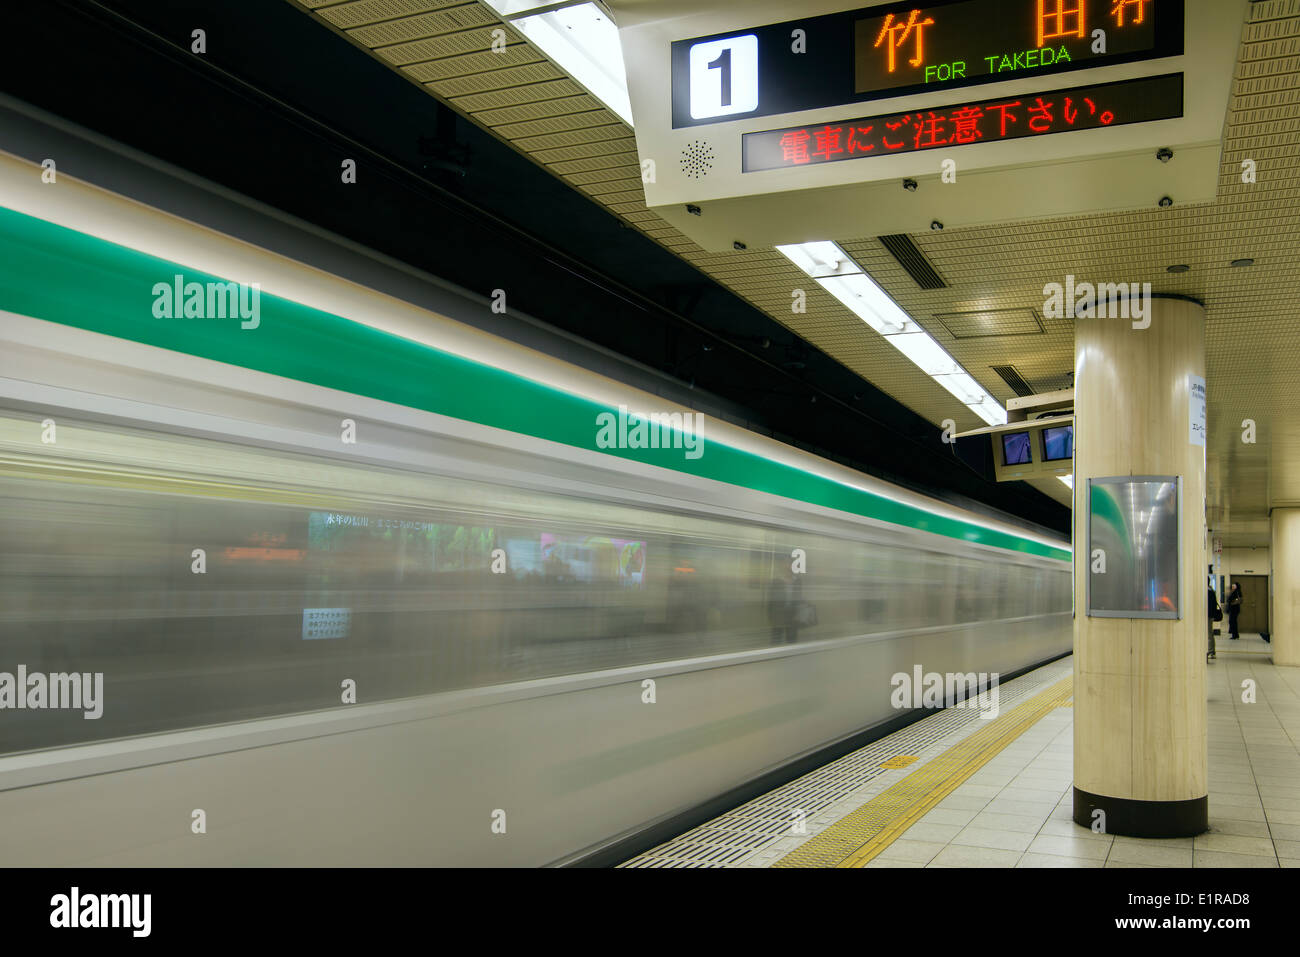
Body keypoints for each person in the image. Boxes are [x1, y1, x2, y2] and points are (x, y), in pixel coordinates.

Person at [1207, 586, 1221, 660]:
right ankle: (1211, 650)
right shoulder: (1211, 591)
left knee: (1209, 634)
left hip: (1208, 616)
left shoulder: (1209, 592)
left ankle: (1211, 651)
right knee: (1209, 633)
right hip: (1209, 616)